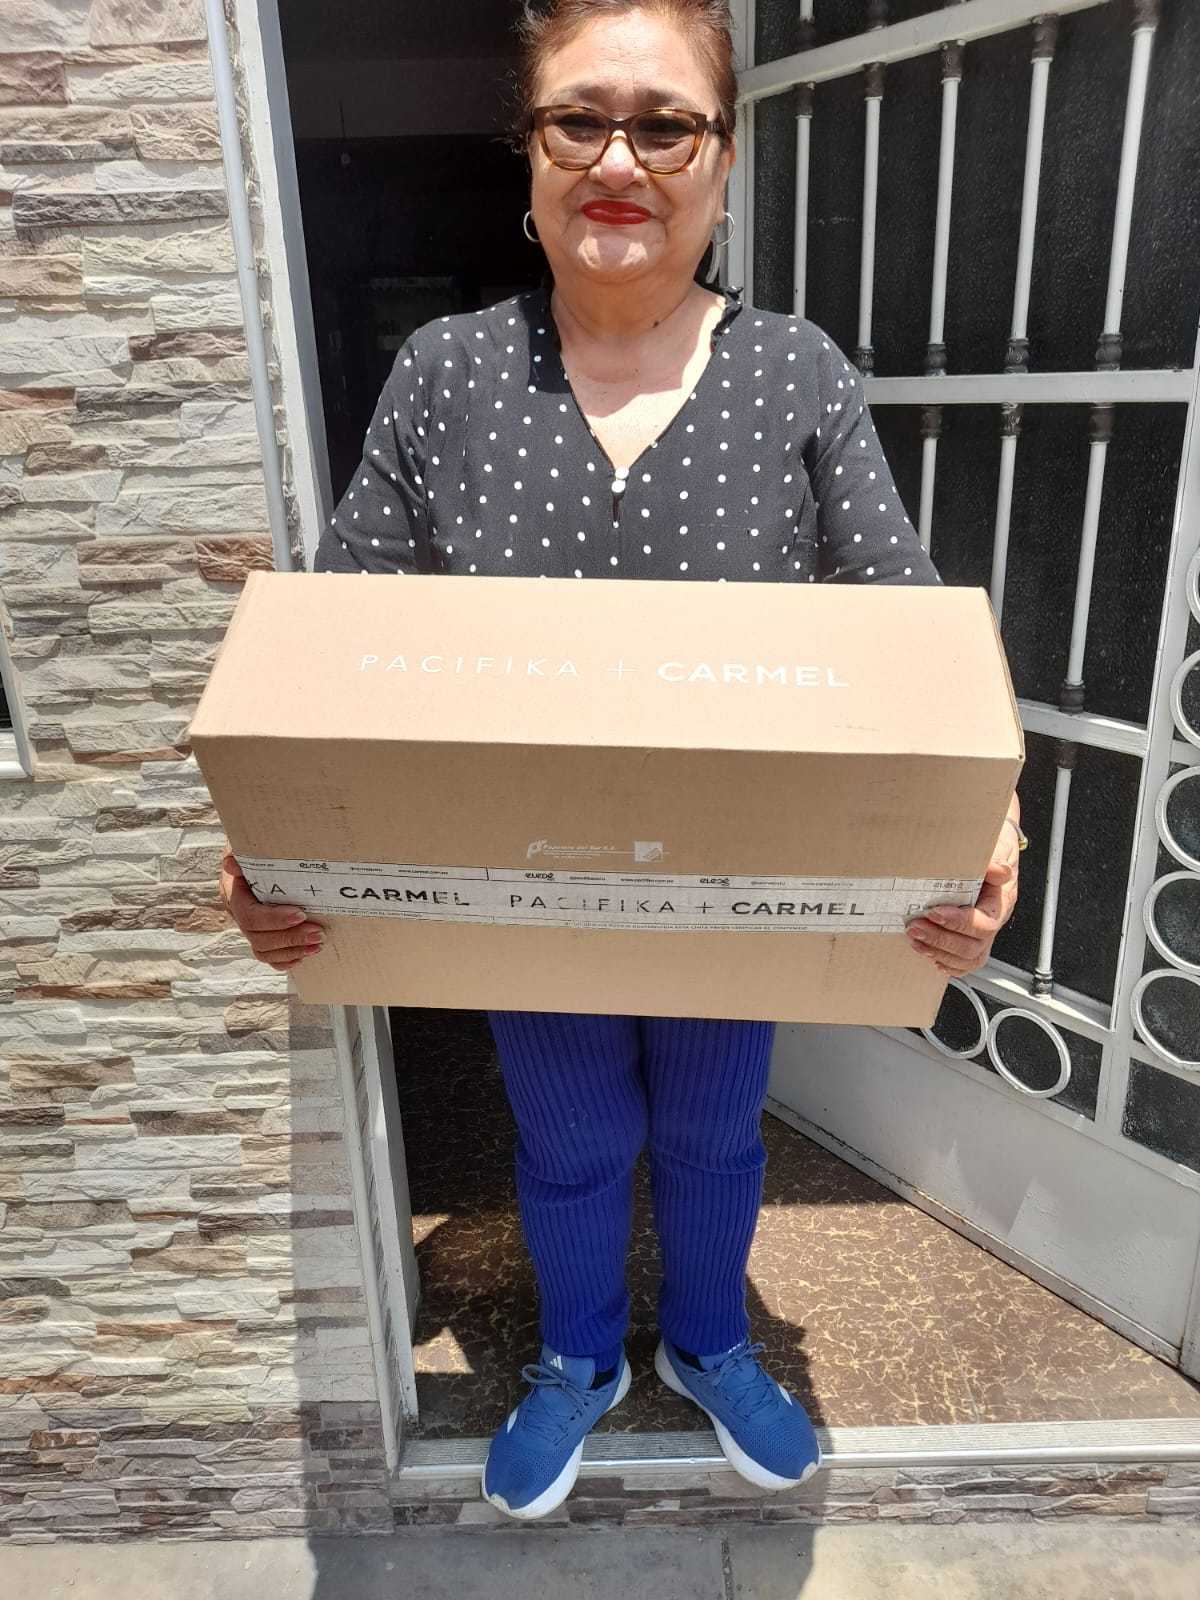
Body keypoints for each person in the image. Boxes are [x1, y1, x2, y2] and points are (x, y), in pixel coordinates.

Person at [219, 0, 1023, 1523]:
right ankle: (580, 1356)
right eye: (578, 120)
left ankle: (711, 1342)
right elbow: (334, 640)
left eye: (665, 126)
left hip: (738, 885)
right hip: (530, 887)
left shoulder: (795, 377)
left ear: (721, 158)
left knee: (716, 1129)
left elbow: (908, 632)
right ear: (527, 150)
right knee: (573, 1135)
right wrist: (274, 839)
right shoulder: (448, 379)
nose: (618, 161)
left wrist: (992, 826)